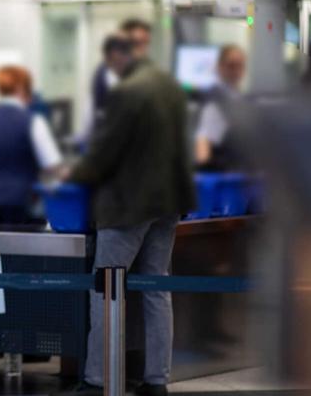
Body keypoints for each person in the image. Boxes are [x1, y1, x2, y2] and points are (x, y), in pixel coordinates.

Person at [69, 34, 196, 396]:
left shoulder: (126, 93)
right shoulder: (170, 87)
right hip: (168, 202)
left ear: (117, 58)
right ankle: (158, 379)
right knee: (157, 288)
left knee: (106, 289)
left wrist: (75, 174)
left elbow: (105, 152)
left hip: (128, 206)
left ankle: (97, 379)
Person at [0, 65, 65, 225]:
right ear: (21, 89)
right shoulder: (33, 121)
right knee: (22, 249)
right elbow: (51, 165)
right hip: (23, 203)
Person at [80, 19, 153, 147]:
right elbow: (91, 112)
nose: (142, 49)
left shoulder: (148, 76)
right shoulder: (107, 75)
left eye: (145, 43)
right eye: (137, 43)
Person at [195, 44, 247, 171]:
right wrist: (205, 177)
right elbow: (203, 141)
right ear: (219, 67)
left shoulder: (237, 97)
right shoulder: (216, 101)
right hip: (223, 174)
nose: (236, 71)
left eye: (240, 66)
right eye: (231, 66)